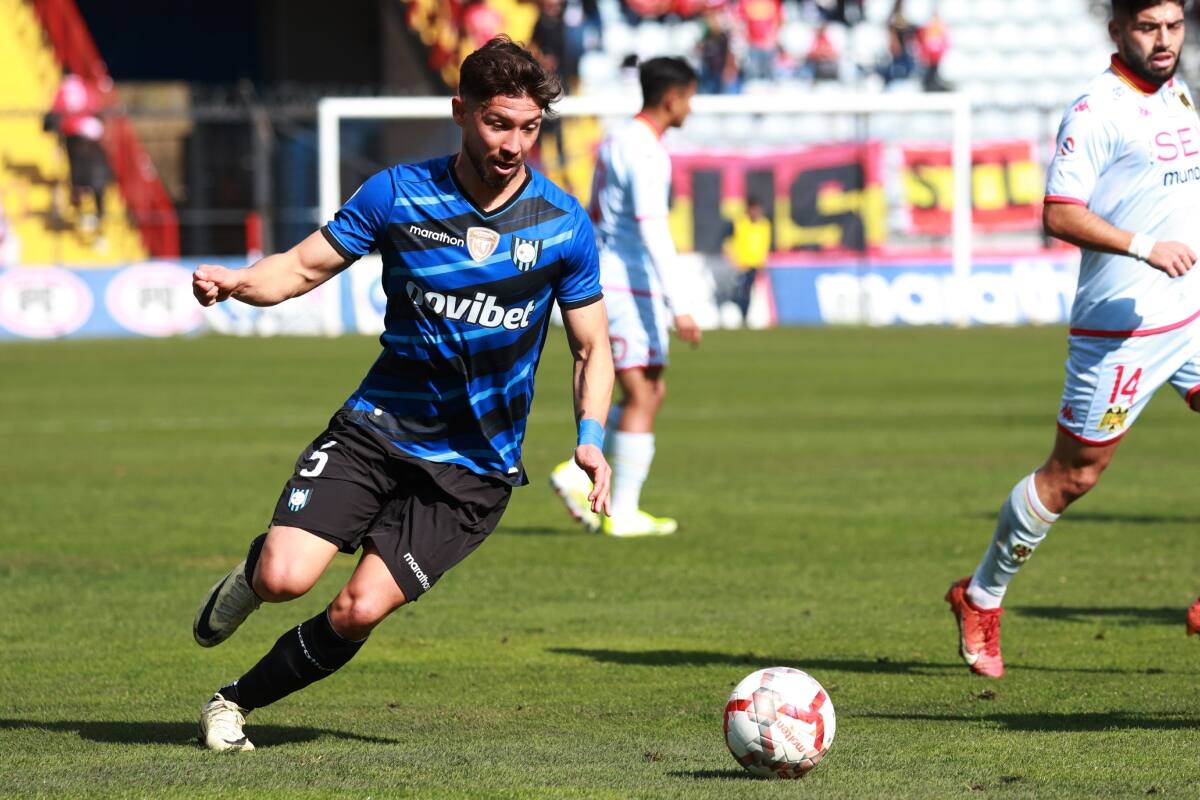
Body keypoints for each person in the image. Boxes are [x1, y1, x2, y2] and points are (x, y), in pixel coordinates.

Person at [190, 37, 614, 751]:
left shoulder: (563, 225)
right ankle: (257, 570)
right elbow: (300, 268)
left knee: (357, 610)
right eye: (497, 123)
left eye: (529, 127)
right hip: (377, 429)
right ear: (461, 111)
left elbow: (592, 347)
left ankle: (232, 702)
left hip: (475, 467)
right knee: (286, 578)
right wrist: (239, 283)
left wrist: (591, 438)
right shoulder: (398, 193)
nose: (513, 144)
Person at [946, 0, 1200, 679]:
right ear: (1117, 30)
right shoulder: (1096, 111)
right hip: (1122, 331)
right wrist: (1145, 246)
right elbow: (1059, 213)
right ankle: (981, 596)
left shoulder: (1177, 91)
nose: (1165, 40)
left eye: (1174, 25)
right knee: (1074, 475)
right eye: (1148, 27)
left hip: (1191, 314)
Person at [549, 57, 701, 538]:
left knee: (650, 389)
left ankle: (578, 476)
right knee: (641, 391)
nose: (691, 108)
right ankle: (621, 509)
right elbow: (652, 228)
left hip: (612, 276)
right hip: (627, 283)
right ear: (672, 98)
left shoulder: (619, 137)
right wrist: (681, 304)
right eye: (689, 98)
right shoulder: (646, 151)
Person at [48, 69, 110, 241]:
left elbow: (55, 113)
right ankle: (91, 206)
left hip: (73, 135)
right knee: (94, 176)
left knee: (78, 174)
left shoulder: (63, 90)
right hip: (91, 135)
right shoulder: (85, 87)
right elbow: (95, 107)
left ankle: (79, 194)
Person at [726, 198, 771, 326]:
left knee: (748, 292)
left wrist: (763, 261)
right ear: (749, 209)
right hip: (740, 265)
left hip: (755, 265)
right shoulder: (739, 223)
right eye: (754, 209)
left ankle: (744, 317)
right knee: (739, 292)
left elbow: (765, 244)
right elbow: (728, 242)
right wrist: (734, 260)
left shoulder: (765, 224)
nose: (757, 212)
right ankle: (738, 314)